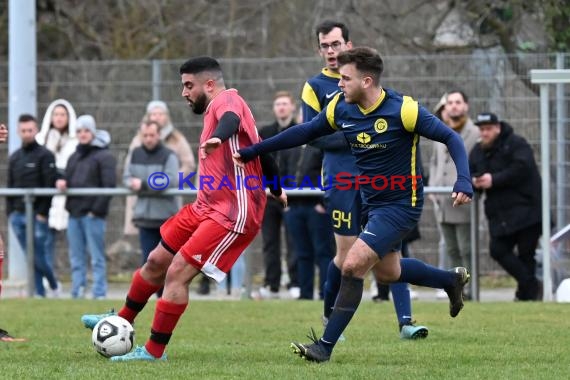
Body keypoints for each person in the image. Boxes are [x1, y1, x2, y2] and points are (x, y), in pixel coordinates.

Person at [235, 47, 472, 362]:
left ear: (368, 81)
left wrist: (463, 180)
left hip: (402, 203)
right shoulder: (340, 108)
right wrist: (255, 151)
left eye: (346, 79)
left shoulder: (404, 110)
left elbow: (451, 139)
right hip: (370, 202)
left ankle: (324, 347)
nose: (340, 84)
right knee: (389, 273)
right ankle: (449, 280)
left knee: (352, 264)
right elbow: (305, 131)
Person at [81, 56, 286, 362]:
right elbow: (260, 146)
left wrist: (218, 136)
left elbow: (230, 121)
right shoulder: (222, 109)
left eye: (189, 85)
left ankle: (153, 351)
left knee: (177, 273)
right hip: (206, 205)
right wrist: (277, 188)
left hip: (232, 212)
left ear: (210, 84)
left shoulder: (226, 101)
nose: (184, 92)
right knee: (156, 260)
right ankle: (121, 319)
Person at [302, 20, 426, 338]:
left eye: (335, 44)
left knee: (391, 251)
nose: (331, 51)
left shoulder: (364, 80)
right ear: (319, 49)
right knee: (344, 257)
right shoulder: (314, 86)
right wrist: (355, 135)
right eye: (324, 45)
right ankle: (330, 318)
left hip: (379, 182)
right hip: (341, 180)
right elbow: (312, 136)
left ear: (348, 44)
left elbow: (397, 127)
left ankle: (406, 322)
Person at [469, 112, 542, 301]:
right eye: (482, 129)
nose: (485, 133)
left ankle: (526, 295)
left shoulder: (517, 143)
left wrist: (494, 179)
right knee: (498, 249)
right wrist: (474, 183)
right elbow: (471, 171)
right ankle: (530, 286)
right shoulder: (478, 151)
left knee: (527, 255)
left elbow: (522, 168)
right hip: (499, 214)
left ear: (498, 128)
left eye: (488, 129)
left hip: (527, 209)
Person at [56, 115, 117, 299]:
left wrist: (95, 211)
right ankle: (77, 291)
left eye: (86, 130)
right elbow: (69, 178)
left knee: (96, 256)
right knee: (76, 257)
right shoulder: (74, 156)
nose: (83, 134)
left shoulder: (104, 156)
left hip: (93, 215)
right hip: (74, 214)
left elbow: (108, 186)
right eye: (79, 131)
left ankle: (99, 291)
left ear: (93, 132)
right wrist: (63, 183)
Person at [429, 91, 479, 291]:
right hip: (442, 199)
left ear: (466, 105)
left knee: (467, 247)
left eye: (458, 102)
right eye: (450, 103)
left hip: (463, 199)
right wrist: (432, 186)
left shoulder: (475, 133)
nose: (454, 106)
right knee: (451, 248)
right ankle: (457, 287)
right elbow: (434, 162)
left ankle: (471, 288)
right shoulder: (438, 131)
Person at [7, 114, 58, 298]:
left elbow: (49, 185)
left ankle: (53, 284)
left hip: (37, 215)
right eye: (23, 131)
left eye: (30, 130)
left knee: (37, 255)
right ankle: (39, 293)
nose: (27, 134)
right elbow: (10, 185)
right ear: (18, 132)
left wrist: (42, 213)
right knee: (30, 257)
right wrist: (10, 214)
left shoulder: (45, 155)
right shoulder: (14, 157)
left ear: (36, 130)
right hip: (17, 215)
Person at [257, 91, 299, 299]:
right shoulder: (265, 132)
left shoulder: (300, 132)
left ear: (292, 107)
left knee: (294, 241)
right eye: (278, 104)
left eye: (285, 103)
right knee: (270, 241)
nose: (281, 107)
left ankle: (295, 282)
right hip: (268, 195)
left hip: (294, 196)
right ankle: (271, 284)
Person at [123, 120, 179, 266]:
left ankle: (164, 290)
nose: (148, 138)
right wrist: (131, 183)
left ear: (159, 135)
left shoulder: (169, 155)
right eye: (145, 135)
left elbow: (170, 180)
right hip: (144, 217)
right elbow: (126, 177)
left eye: (152, 135)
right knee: (148, 263)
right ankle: (150, 290)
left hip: (165, 217)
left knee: (165, 263)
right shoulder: (135, 154)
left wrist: (143, 184)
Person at [37, 99, 78, 280]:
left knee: (74, 243)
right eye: (56, 114)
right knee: (45, 242)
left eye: (63, 114)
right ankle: (48, 282)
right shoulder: (41, 139)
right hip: (46, 197)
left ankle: (77, 285)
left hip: (70, 195)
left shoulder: (76, 140)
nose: (59, 118)